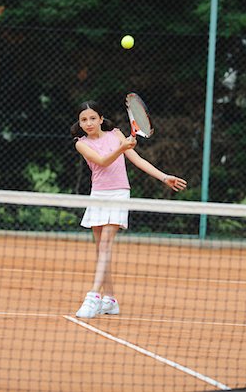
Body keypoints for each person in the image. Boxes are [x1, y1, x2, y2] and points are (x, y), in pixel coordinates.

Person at [71, 100, 187, 318]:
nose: (89, 123)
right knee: (100, 252)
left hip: (119, 194)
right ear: (79, 123)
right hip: (98, 196)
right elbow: (103, 162)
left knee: (105, 245)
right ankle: (111, 300)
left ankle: (93, 296)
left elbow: (137, 159)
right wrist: (122, 148)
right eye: (84, 119)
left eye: (93, 118)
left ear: (101, 119)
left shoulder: (115, 134)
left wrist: (164, 177)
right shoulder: (81, 143)